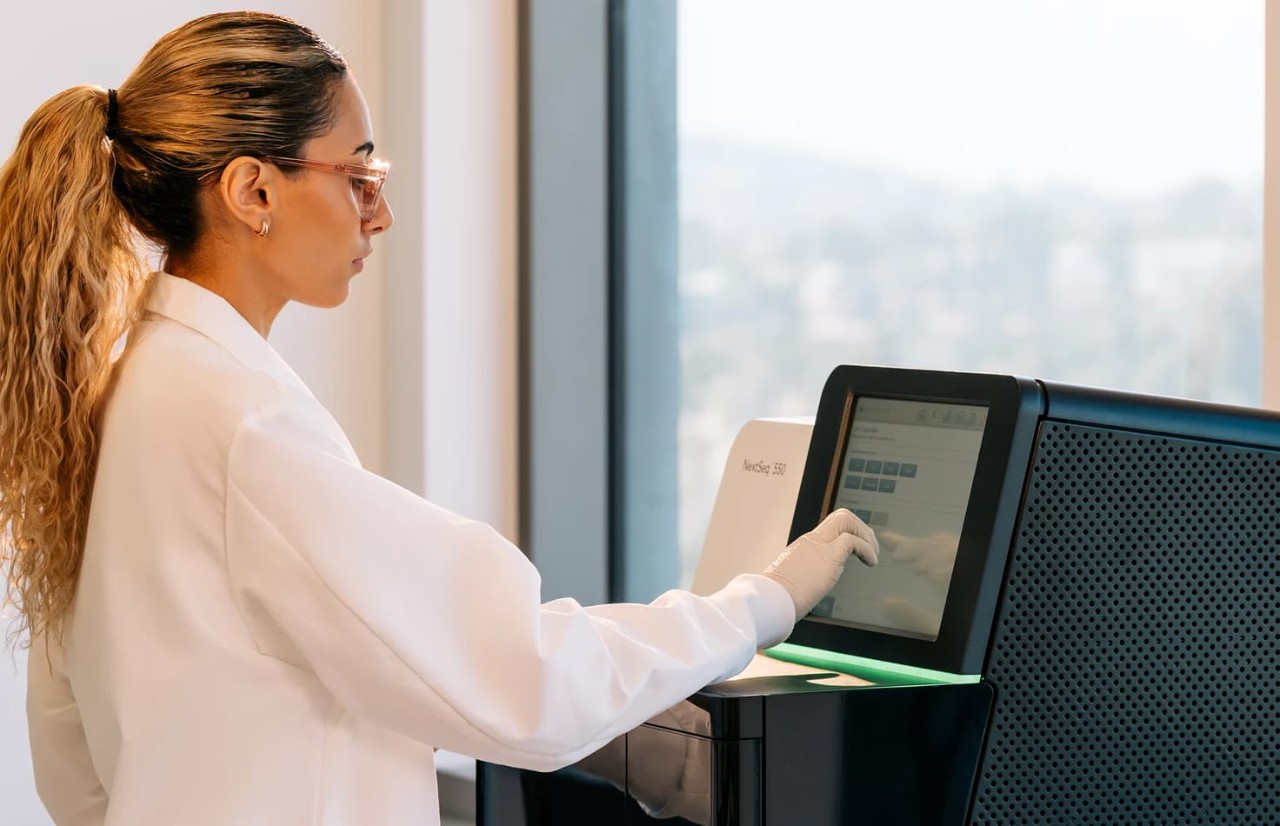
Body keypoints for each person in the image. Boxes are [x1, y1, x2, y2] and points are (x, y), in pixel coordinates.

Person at [0, 12, 878, 826]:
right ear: (251, 191)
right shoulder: (242, 426)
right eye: (358, 175)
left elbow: (68, 749)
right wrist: (763, 603)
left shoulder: (125, 392)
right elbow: (522, 675)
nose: (379, 213)